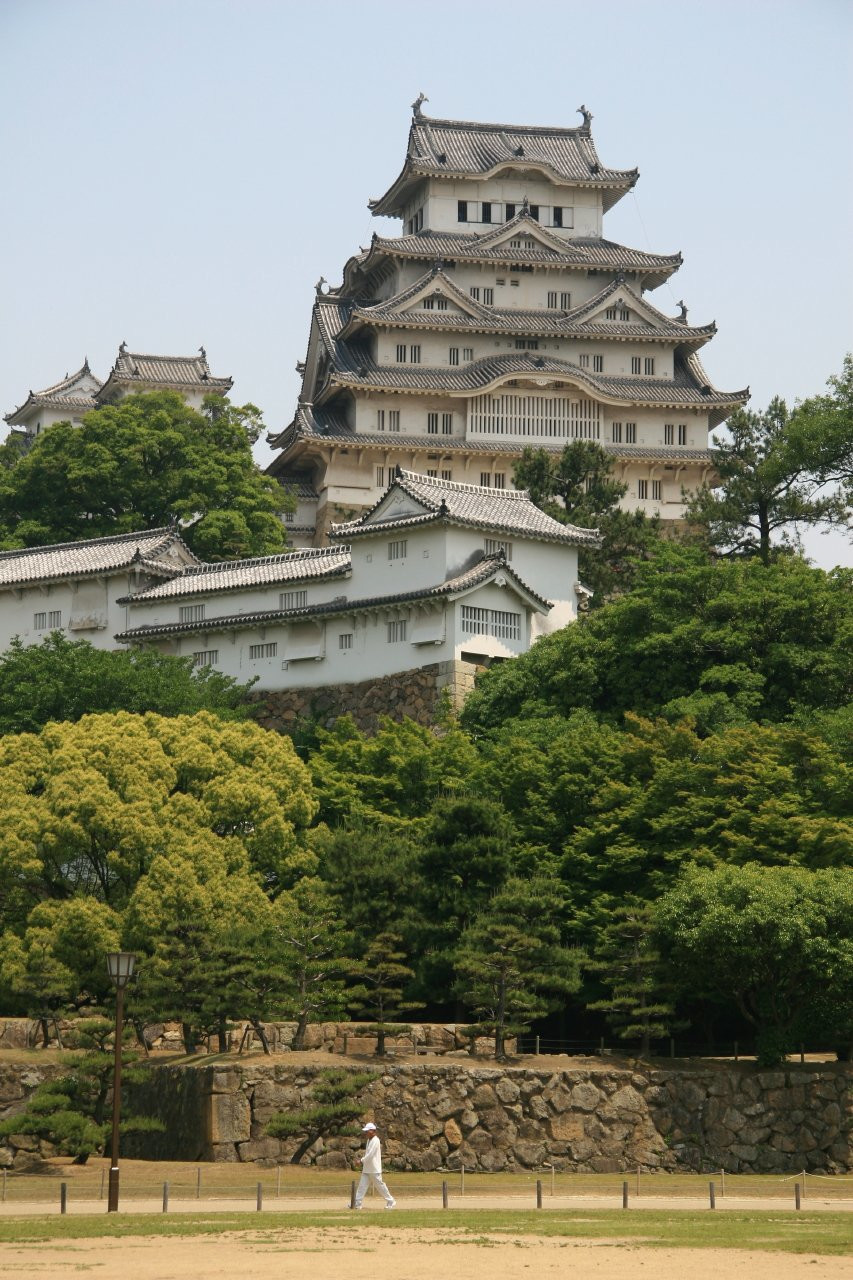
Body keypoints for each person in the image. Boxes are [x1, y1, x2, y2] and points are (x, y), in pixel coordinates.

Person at [352, 1121, 396, 1209]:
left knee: (380, 1186)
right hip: (367, 1169)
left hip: (374, 1169)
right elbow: (368, 1154)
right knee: (362, 1186)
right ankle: (357, 1203)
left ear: (372, 1131)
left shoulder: (376, 1140)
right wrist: (363, 1161)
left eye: (367, 1131)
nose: (366, 1133)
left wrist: (361, 1161)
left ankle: (391, 1201)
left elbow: (371, 1155)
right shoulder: (369, 1140)